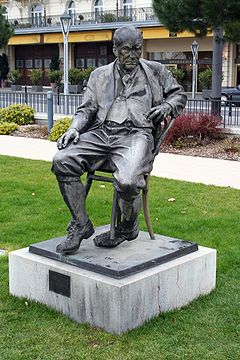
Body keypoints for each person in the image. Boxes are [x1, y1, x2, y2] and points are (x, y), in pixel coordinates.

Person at [52, 24, 187, 254]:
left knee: (128, 181)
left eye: (137, 49)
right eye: (127, 50)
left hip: (136, 135)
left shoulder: (155, 71)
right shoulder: (99, 75)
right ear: (115, 50)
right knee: (62, 160)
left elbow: (179, 94)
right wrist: (74, 128)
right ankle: (81, 223)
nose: (133, 55)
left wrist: (166, 106)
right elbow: (86, 110)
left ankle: (127, 227)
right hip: (101, 133)